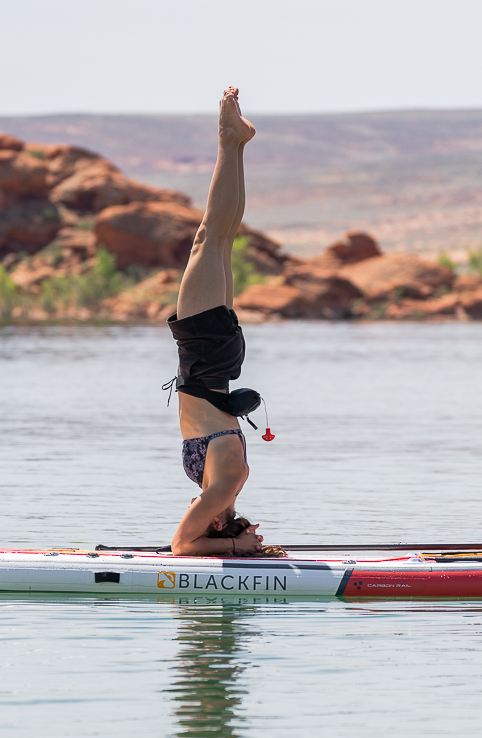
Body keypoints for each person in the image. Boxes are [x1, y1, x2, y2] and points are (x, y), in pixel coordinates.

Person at [167, 88, 265, 557]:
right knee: (208, 238)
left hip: (218, 362)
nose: (192, 509)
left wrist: (236, 542)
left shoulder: (226, 486)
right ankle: (229, 140)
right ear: (218, 524)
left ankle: (238, 143)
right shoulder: (223, 490)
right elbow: (182, 547)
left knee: (221, 240)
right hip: (206, 359)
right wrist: (239, 549)